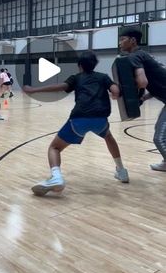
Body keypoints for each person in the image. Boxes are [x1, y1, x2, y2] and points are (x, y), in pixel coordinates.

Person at [23, 50, 129, 196]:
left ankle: (56, 177)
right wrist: (115, 93)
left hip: (80, 118)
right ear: (95, 65)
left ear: (79, 65)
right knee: (108, 137)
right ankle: (121, 171)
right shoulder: (103, 77)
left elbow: (60, 87)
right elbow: (115, 89)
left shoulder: (77, 78)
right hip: (100, 119)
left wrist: (34, 90)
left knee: (54, 147)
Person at [119, 27, 166, 171]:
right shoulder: (144, 54)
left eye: (122, 39)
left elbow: (143, 82)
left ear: (133, 41)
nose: (120, 43)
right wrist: (144, 98)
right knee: (160, 131)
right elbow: (158, 82)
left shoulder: (134, 57)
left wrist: (131, 93)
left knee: (159, 138)